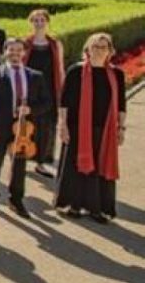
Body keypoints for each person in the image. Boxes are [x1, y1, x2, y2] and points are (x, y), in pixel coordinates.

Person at [54, 33, 127, 223]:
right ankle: (74, 205)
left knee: (101, 167)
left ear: (110, 51)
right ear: (88, 48)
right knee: (76, 166)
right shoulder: (76, 71)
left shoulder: (117, 74)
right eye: (95, 46)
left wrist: (121, 128)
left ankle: (98, 209)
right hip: (77, 128)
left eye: (104, 47)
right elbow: (64, 102)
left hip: (105, 130)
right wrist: (62, 125)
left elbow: (121, 105)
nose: (99, 51)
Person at [0, 38, 50, 218]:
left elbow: (46, 103)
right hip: (0, 127)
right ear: (5, 52)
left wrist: (31, 109)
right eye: (11, 50)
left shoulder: (36, 76)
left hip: (23, 128)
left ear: (24, 53)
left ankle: (16, 200)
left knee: (19, 166)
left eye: (19, 50)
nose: (15, 54)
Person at [24, 9, 65, 178]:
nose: (39, 23)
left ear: (47, 22)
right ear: (31, 22)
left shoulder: (55, 44)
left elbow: (60, 67)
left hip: (49, 88)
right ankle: (23, 155)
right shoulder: (25, 42)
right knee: (28, 124)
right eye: (36, 20)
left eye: (42, 20)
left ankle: (41, 162)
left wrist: (62, 90)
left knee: (47, 126)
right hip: (29, 89)